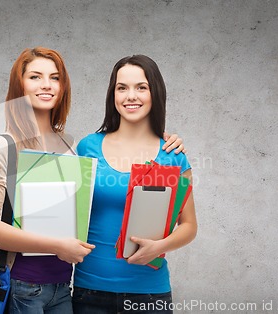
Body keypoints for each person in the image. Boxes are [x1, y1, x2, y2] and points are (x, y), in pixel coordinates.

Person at [0, 47, 187, 314]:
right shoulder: (5, 145)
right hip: (22, 285)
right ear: (19, 85)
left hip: (63, 288)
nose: (46, 85)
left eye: (55, 77)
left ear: (63, 87)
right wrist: (57, 246)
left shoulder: (71, 146)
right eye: (35, 77)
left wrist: (157, 138)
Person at [72, 55, 197, 314]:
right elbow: (71, 214)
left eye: (141, 87)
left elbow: (189, 226)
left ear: (155, 93)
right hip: (89, 291)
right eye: (122, 88)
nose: (131, 96)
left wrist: (160, 246)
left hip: (149, 293)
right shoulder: (87, 147)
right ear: (112, 95)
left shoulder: (173, 155)